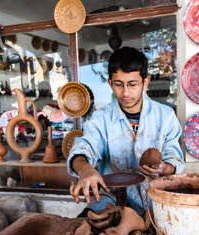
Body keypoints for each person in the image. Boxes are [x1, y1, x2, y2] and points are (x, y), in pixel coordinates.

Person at [67, 47, 184, 216]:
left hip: (155, 199)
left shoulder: (165, 116)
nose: (125, 92)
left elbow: (174, 157)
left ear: (146, 82)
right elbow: (84, 146)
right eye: (118, 84)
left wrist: (164, 168)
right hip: (112, 199)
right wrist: (85, 169)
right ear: (110, 83)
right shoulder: (101, 118)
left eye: (132, 84)